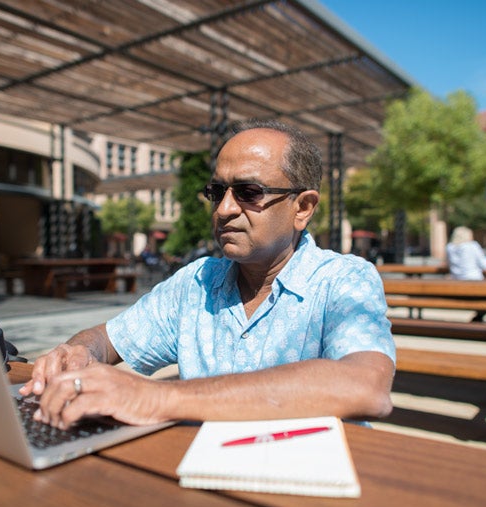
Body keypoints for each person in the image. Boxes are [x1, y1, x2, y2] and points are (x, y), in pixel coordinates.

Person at [20, 120, 396, 429]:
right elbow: (107, 338)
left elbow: (365, 387)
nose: (225, 209)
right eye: (217, 191)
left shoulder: (343, 280)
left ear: (303, 207)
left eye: (249, 192)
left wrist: (158, 397)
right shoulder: (196, 282)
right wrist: (79, 354)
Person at [446, 226, 486, 322]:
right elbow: (484, 264)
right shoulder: (472, 246)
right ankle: (478, 318)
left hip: (457, 283)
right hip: (474, 282)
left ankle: (478, 317)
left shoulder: (450, 247)